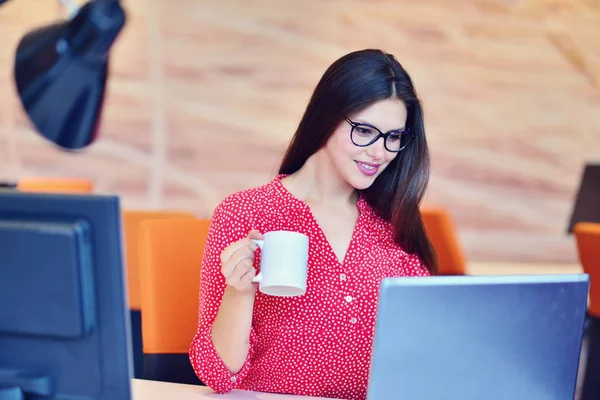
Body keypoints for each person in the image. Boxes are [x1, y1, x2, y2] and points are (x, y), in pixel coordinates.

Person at [189, 48, 437, 400]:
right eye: (365, 131)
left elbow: (422, 358)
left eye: (394, 137)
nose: (380, 152)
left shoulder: (395, 222)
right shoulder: (245, 212)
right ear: (326, 119)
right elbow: (218, 374)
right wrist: (239, 290)